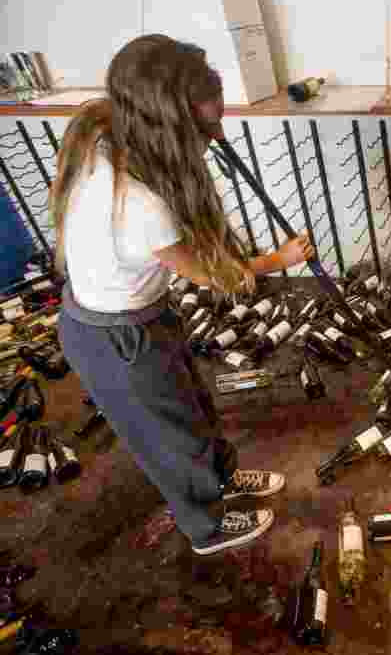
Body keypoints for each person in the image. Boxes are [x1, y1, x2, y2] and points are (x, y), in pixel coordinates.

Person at [52, 35, 313, 555]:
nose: (217, 135)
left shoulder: (107, 125)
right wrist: (280, 261)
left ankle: (223, 478)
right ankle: (207, 526)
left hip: (142, 317)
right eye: (206, 125)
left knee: (193, 409)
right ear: (167, 121)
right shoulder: (140, 203)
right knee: (170, 440)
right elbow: (215, 276)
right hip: (114, 340)